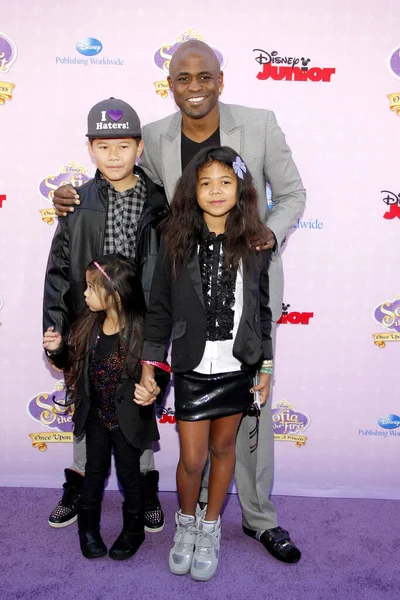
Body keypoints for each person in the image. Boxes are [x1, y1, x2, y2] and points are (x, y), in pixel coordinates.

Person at [52, 40, 306, 563]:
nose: (195, 87)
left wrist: (266, 235)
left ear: (220, 78)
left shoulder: (258, 124)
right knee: (167, 419)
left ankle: (258, 518)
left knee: (249, 418)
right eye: (183, 79)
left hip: (243, 294)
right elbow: (121, 180)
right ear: (171, 84)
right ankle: (162, 507)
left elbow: (293, 193)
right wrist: (72, 197)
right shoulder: (154, 137)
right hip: (179, 305)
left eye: (204, 76)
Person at [139, 146, 273, 580]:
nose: (215, 191)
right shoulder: (175, 240)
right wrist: (151, 365)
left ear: (241, 188)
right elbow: (158, 308)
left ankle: (211, 526)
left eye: (225, 182)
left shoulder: (256, 242)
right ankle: (186, 525)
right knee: (193, 458)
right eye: (205, 183)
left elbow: (262, 308)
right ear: (192, 190)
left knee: (224, 450)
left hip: (237, 366)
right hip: (192, 367)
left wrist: (266, 367)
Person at [43, 97, 169, 533]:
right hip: (89, 323)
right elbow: (60, 269)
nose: (113, 156)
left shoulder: (160, 202)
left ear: (139, 147)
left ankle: (146, 488)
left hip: (138, 326)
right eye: (103, 147)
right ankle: (79, 486)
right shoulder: (76, 201)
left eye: (123, 146)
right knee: (88, 405)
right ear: (90, 149)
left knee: (139, 402)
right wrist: (57, 328)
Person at [43, 255, 163, 560]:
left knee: (130, 476)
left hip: (128, 421)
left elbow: (157, 369)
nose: (84, 294)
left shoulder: (141, 328)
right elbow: (70, 363)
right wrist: (57, 349)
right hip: (95, 417)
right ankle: (88, 529)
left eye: (90, 288)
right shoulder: (88, 325)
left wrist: (152, 389)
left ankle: (133, 531)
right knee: (93, 475)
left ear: (114, 295)